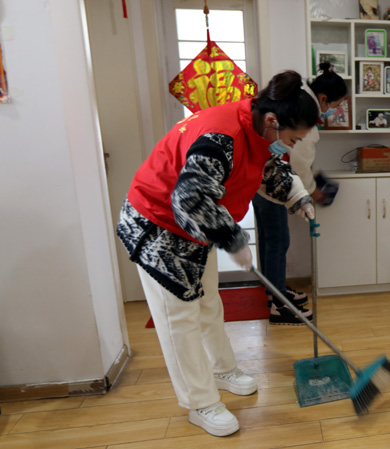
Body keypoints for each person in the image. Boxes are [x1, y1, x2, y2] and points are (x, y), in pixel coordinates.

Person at [115, 70, 318, 437]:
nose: (292, 146)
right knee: (179, 318)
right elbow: (190, 198)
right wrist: (234, 240)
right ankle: (200, 402)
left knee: (208, 301)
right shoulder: (220, 137)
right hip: (157, 222)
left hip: (195, 226)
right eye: (292, 139)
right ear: (273, 121)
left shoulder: (257, 126)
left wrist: (297, 195)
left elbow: (268, 166)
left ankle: (222, 370)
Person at [252, 62, 347, 325]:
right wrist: (315, 193)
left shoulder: (299, 102)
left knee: (270, 240)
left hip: (261, 180)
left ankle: (275, 291)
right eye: (336, 104)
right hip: (271, 183)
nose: (335, 110)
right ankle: (278, 304)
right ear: (324, 98)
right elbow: (299, 164)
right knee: (278, 241)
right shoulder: (308, 116)